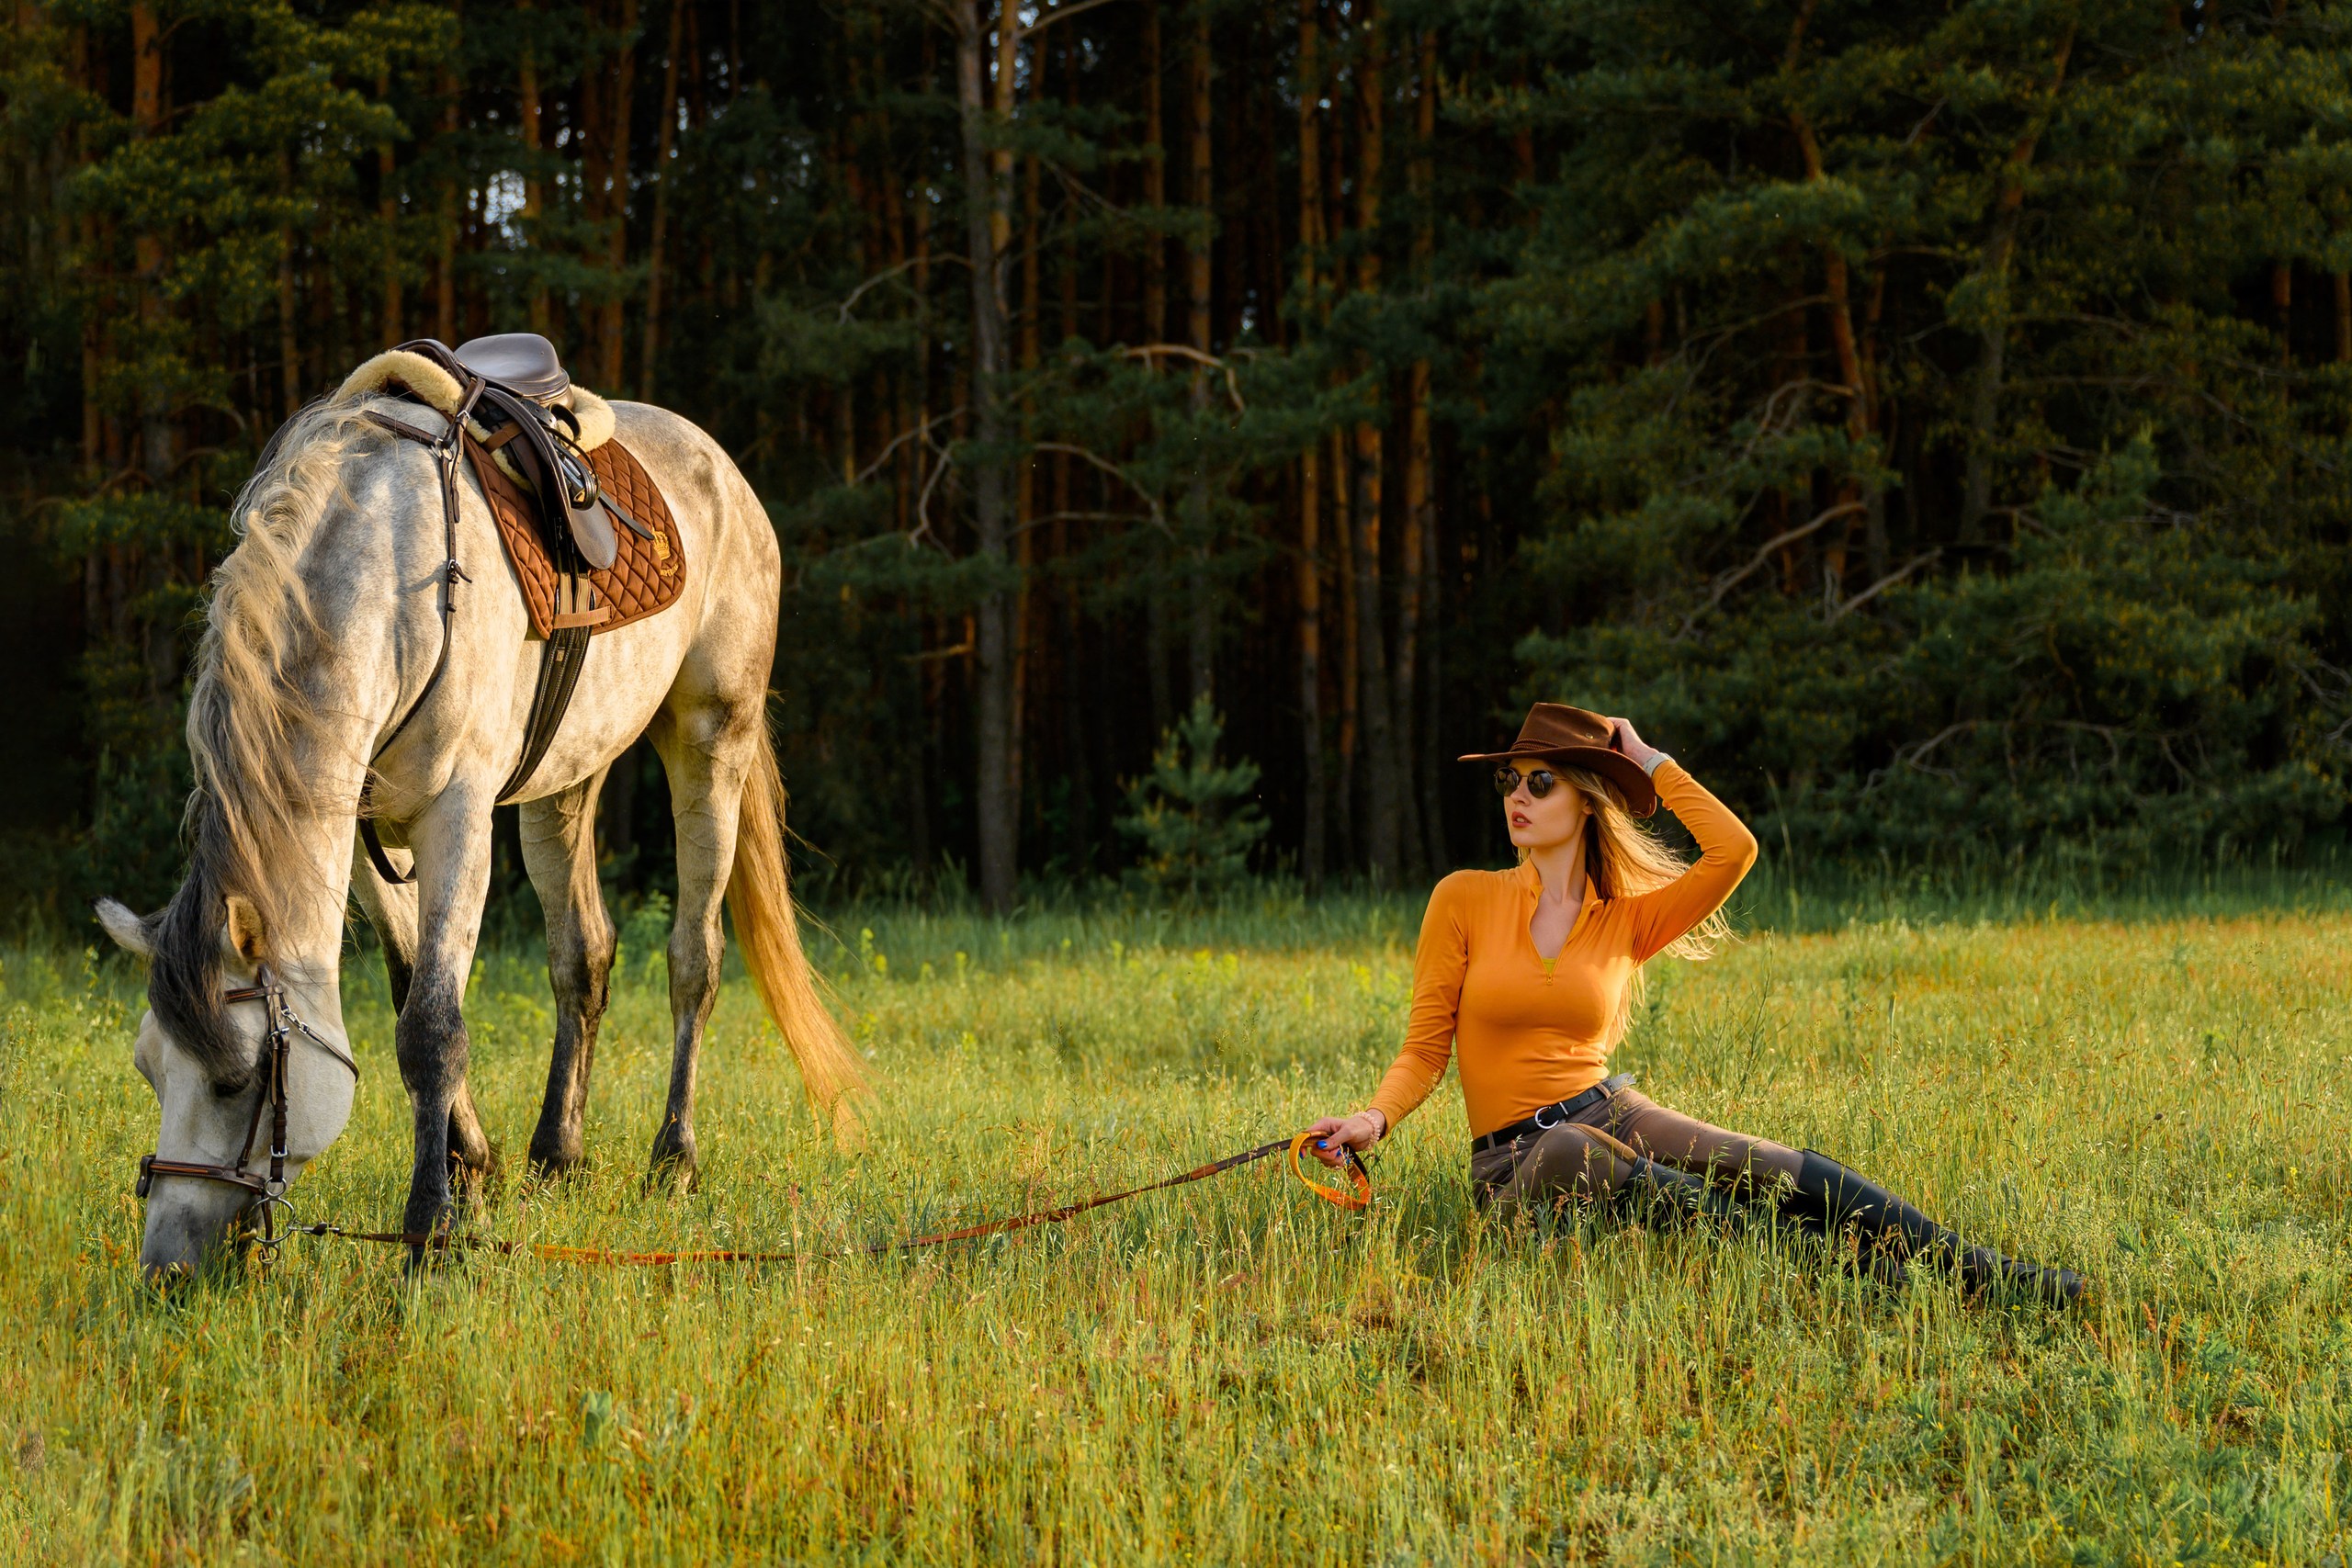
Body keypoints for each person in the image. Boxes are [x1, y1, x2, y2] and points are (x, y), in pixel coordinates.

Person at [1304, 702, 2083, 1304]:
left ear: (1586, 800)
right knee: (1578, 1154)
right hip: (1516, 1163)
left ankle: (1982, 1272)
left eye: (1541, 780)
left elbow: (1734, 849)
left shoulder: (1624, 917)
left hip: (1610, 1108)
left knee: (1762, 1163)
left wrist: (1647, 760)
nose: (1518, 795)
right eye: (1509, 779)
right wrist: (1373, 1119)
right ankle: (1848, 1279)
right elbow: (1425, 1049)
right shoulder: (1464, 899)